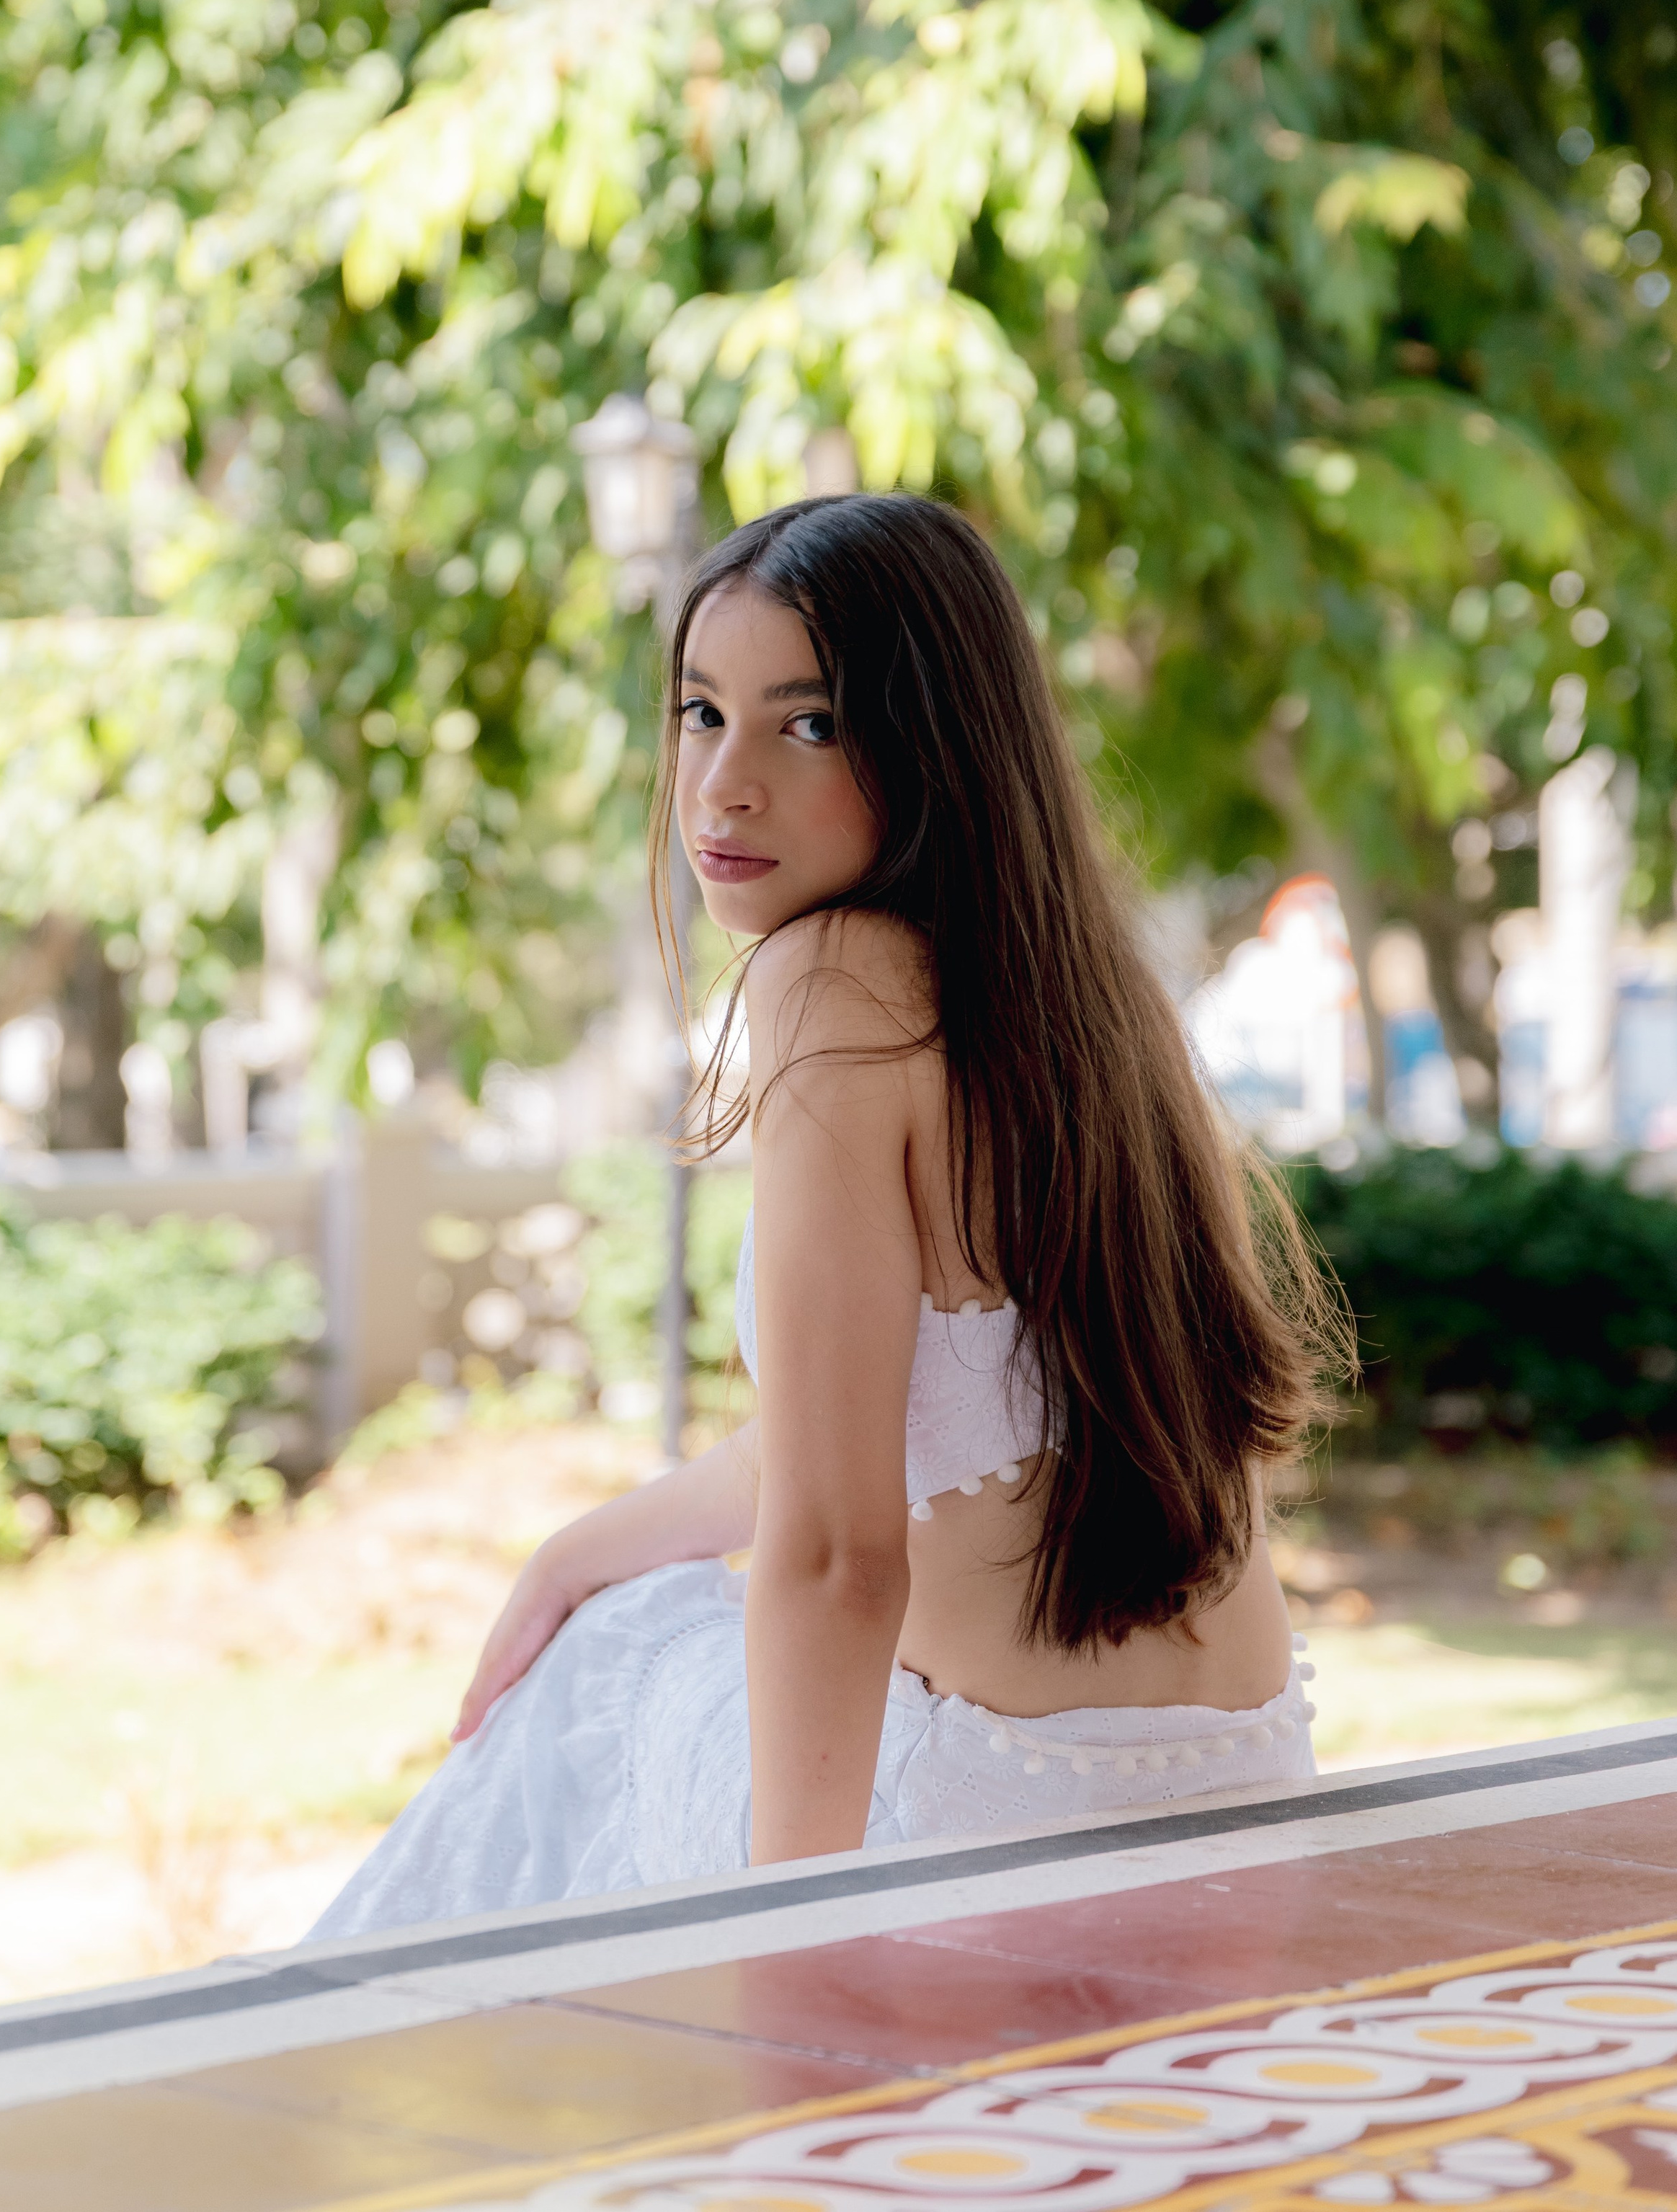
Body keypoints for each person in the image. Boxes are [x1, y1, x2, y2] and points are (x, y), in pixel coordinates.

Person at [307, 493, 1343, 1938]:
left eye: (806, 725)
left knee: (598, 1682)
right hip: (1245, 1777)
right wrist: (574, 1546)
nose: (722, 786)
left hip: (1006, 1804)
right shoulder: (1093, 1003)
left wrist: (796, 1956)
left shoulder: (828, 987)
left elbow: (841, 1552)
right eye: (698, 713)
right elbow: (920, 1419)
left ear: (932, 745)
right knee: (617, 1608)